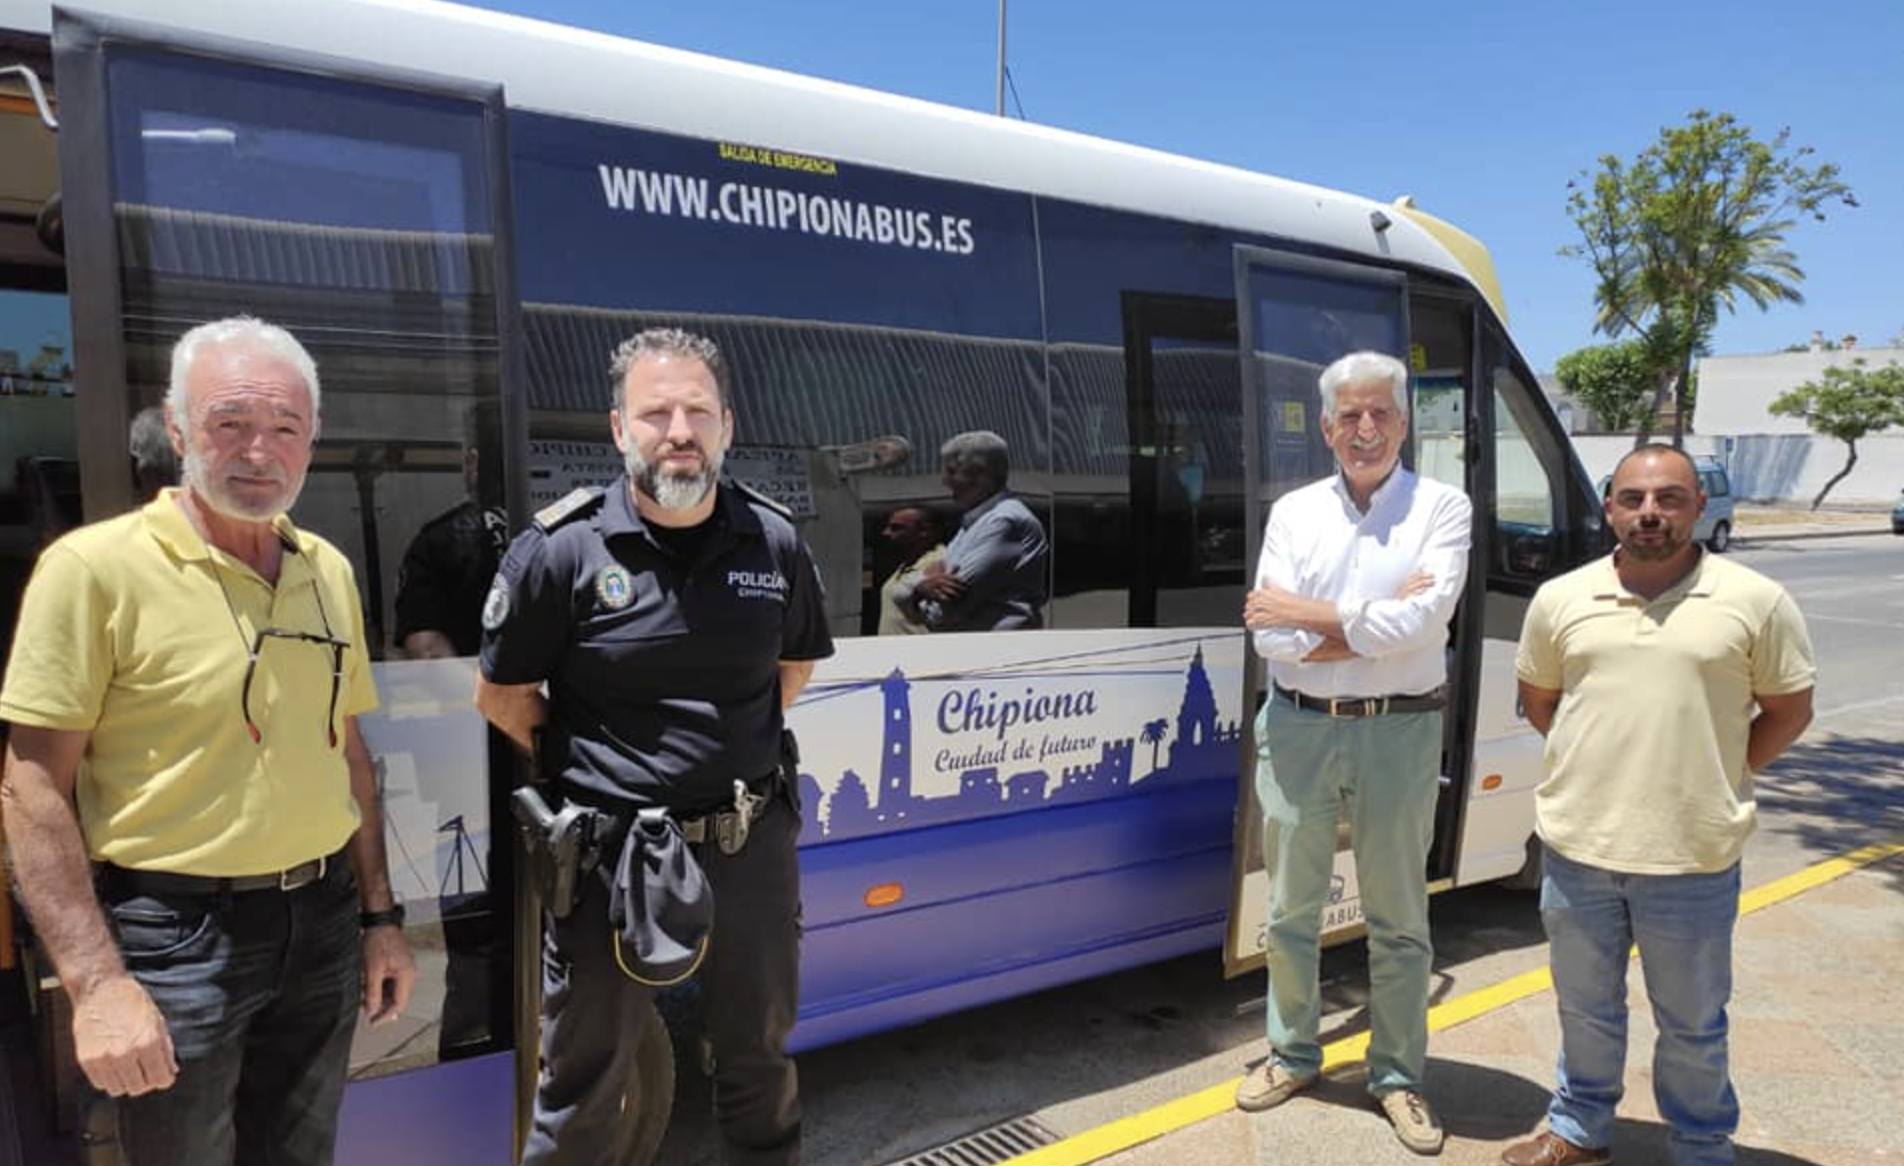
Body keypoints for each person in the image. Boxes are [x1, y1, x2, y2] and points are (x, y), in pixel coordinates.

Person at [0, 316, 416, 1166]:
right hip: (176, 940)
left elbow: (348, 756)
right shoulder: (93, 570)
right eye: (231, 422)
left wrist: (379, 918)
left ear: (313, 440)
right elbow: (30, 786)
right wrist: (97, 983)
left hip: (322, 924)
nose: (259, 451)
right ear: (179, 428)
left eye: (285, 428)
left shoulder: (327, 569)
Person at [476, 327, 832, 1166]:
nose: (679, 431)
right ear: (618, 430)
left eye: (699, 412)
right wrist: (606, 769)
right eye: (655, 413)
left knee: (760, 1066)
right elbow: (503, 697)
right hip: (612, 861)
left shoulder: (774, 542)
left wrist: (718, 756)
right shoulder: (561, 550)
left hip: (749, 847)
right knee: (584, 1088)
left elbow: (792, 669)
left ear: (727, 426)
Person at [1503, 444, 1814, 1166]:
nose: (1650, 513)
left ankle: (1702, 1145)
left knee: (1694, 1023)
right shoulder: (1561, 598)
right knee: (1585, 1008)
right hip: (1578, 850)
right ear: (1610, 507)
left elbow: (1789, 710)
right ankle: (1580, 1129)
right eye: (1634, 499)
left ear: (1699, 506)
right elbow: (1542, 701)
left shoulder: (1755, 600)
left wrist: (1718, 771)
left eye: (1669, 498)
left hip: (1692, 857)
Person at [1236, 350, 1471, 1157]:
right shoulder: (1295, 512)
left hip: (1400, 730)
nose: (1364, 428)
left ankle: (1397, 1075)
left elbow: (1424, 623)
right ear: (1326, 427)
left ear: (1404, 423)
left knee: (1399, 918)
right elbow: (1268, 639)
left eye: (1380, 413)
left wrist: (1311, 616)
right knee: (1288, 911)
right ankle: (1292, 1053)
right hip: (1298, 726)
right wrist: (1371, 621)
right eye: (1349, 415)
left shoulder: (1442, 507)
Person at [393, 402, 508, 658]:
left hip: (472, 681)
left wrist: (481, 683)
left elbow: (426, 647)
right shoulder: (561, 533)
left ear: (473, 462)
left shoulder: (437, 540)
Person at [907, 429, 1049, 631]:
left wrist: (919, 587)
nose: (944, 480)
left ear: (981, 476)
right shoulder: (976, 521)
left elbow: (942, 612)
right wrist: (923, 585)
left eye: (952, 471)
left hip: (998, 646)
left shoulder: (1003, 521)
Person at [875, 504, 946, 634]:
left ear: (924, 531)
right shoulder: (908, 562)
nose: (886, 533)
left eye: (896, 528)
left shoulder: (939, 561)